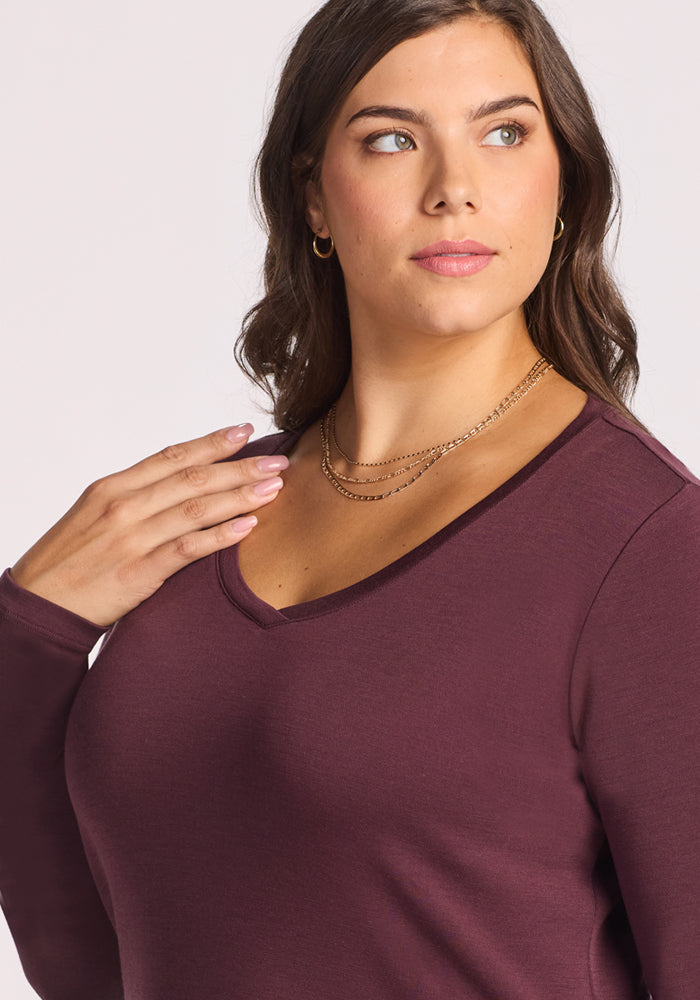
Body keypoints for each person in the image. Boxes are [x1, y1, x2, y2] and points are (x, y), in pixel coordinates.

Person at [1, 0, 698, 996]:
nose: (453, 189)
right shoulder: (197, 523)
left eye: (504, 132)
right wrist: (27, 634)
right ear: (314, 198)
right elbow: (86, 966)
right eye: (389, 140)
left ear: (565, 182)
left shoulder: (646, 546)